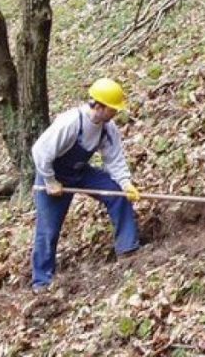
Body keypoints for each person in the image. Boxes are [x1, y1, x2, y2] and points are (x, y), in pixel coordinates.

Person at [31, 78, 141, 293]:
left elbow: (114, 159)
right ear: (98, 106)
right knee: (48, 229)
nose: (115, 113)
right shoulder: (71, 122)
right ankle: (41, 281)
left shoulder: (108, 128)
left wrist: (126, 183)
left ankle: (128, 248)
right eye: (113, 109)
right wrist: (51, 181)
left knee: (116, 194)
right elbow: (40, 152)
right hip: (53, 175)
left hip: (80, 171)